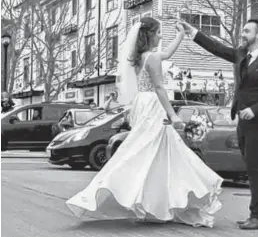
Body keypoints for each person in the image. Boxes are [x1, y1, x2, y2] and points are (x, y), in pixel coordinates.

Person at [66, 17, 223, 227]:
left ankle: (153, 204)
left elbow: (166, 54)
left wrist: (181, 34)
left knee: (154, 153)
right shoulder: (152, 58)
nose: (160, 35)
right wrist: (173, 115)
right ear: (149, 34)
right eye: (158, 32)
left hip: (143, 103)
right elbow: (159, 88)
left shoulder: (141, 56)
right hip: (152, 105)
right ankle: (147, 200)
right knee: (148, 152)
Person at [180, 18, 258, 230]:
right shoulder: (240, 55)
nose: (242, 34)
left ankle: (256, 217)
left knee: (254, 168)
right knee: (254, 168)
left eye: (247, 31)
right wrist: (194, 33)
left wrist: (255, 110)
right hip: (243, 122)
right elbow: (216, 48)